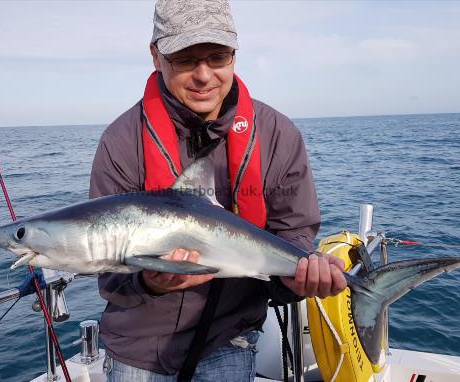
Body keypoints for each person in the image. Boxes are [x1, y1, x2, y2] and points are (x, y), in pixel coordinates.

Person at [89, 1, 347, 380]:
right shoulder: (122, 142)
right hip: (138, 345)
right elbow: (108, 274)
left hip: (230, 338)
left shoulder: (277, 135)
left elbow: (294, 233)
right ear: (156, 56)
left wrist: (297, 280)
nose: (204, 75)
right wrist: (149, 282)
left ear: (235, 55)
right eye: (185, 59)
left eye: (218, 57)